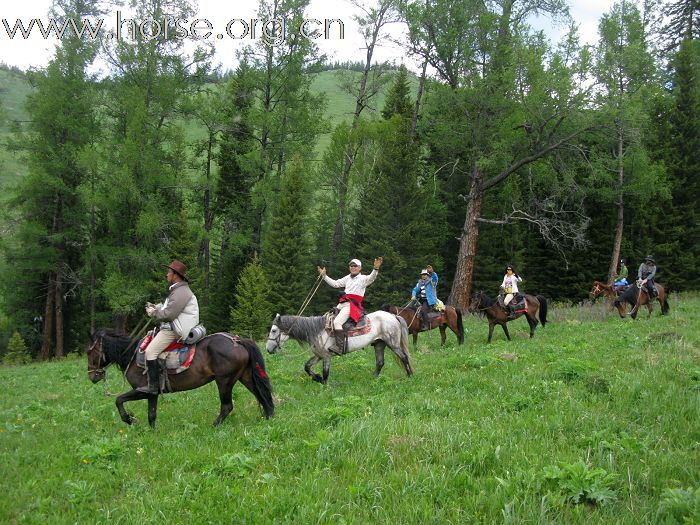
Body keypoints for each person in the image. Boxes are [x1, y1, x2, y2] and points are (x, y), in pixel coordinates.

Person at [138, 260, 200, 394]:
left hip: (174, 330)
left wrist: (154, 313)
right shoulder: (179, 289)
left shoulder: (180, 291)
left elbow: (170, 314)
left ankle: (153, 387)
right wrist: (157, 307)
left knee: (150, 352)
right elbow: (170, 308)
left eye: (169, 272)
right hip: (176, 326)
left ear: (175, 275)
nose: (167, 275)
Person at [318, 257, 383, 355]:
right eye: (351, 266)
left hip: (352, 306)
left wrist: (375, 269)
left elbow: (371, 278)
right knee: (326, 319)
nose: (353, 267)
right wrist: (324, 276)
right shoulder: (347, 277)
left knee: (336, 322)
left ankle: (339, 347)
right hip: (342, 304)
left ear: (360, 268)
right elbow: (336, 284)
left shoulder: (363, 279)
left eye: (355, 266)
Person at [411, 265, 439, 330]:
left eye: (425, 274)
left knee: (423, 310)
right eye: (422, 274)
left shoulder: (432, 281)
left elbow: (435, 278)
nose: (423, 276)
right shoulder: (420, 282)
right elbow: (415, 290)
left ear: (428, 275)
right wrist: (413, 295)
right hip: (421, 300)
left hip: (429, 301)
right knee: (411, 308)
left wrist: (432, 272)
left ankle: (426, 325)